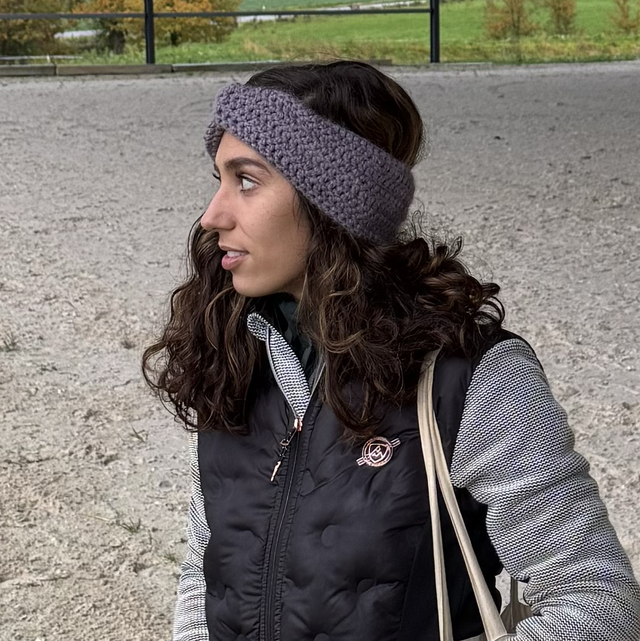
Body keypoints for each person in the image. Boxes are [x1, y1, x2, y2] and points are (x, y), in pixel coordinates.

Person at [143, 60, 640, 641]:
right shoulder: (233, 353)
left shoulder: (466, 376)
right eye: (218, 178)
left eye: (246, 181)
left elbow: (599, 603)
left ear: (334, 201)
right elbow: (204, 574)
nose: (212, 216)